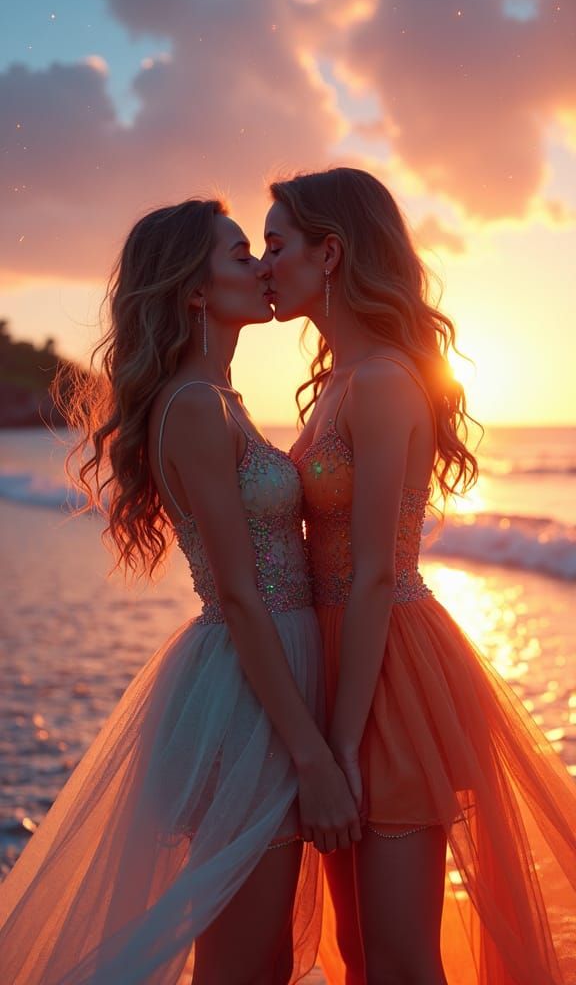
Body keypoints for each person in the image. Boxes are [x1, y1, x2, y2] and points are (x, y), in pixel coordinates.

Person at [0, 198, 361, 985]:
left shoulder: (221, 402)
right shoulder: (196, 407)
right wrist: (313, 757)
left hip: (268, 676)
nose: (262, 267)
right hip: (248, 694)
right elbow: (237, 594)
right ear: (194, 293)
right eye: (240, 255)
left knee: (260, 961)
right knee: (241, 968)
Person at [263, 167, 576, 985]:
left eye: (277, 245)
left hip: (389, 675)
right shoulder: (337, 381)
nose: (266, 265)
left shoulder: (383, 381)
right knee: (361, 954)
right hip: (338, 660)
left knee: (400, 959)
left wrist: (335, 744)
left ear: (329, 253)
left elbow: (372, 577)